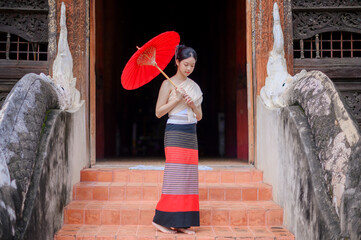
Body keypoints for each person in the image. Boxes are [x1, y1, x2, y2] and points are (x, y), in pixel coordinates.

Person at [152, 44, 203, 234]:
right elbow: (158, 112)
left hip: (191, 132)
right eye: (186, 65)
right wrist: (176, 100)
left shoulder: (194, 87)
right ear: (177, 62)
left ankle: (181, 222)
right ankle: (161, 220)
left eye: (192, 65)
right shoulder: (167, 84)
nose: (189, 69)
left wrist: (192, 105)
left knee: (188, 178)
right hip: (174, 131)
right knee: (175, 177)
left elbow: (199, 116)